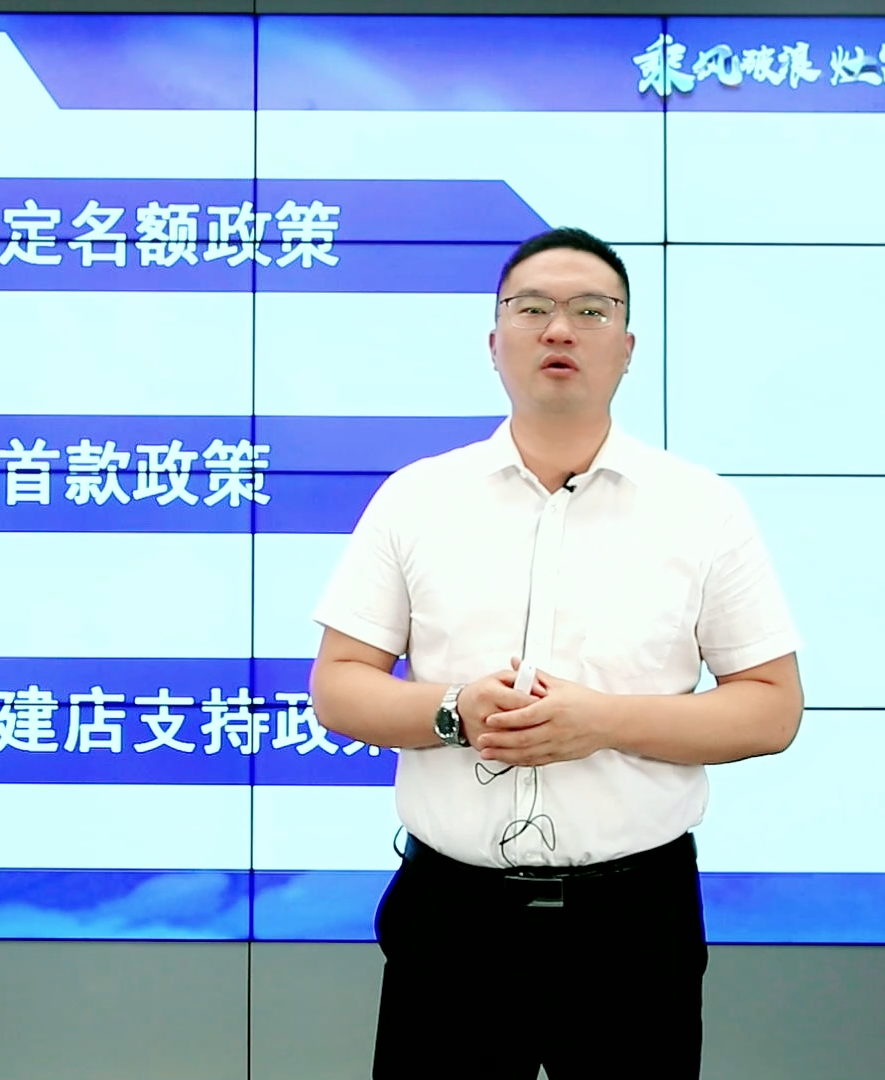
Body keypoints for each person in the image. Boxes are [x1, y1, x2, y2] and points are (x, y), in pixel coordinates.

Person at [308, 227, 805, 1079]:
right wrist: (454, 712)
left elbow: (771, 707)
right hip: (452, 918)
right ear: (493, 341)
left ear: (628, 348)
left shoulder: (702, 508)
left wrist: (602, 723)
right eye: (532, 309)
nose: (560, 330)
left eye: (591, 311)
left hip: (634, 924)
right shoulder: (416, 499)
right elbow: (339, 686)